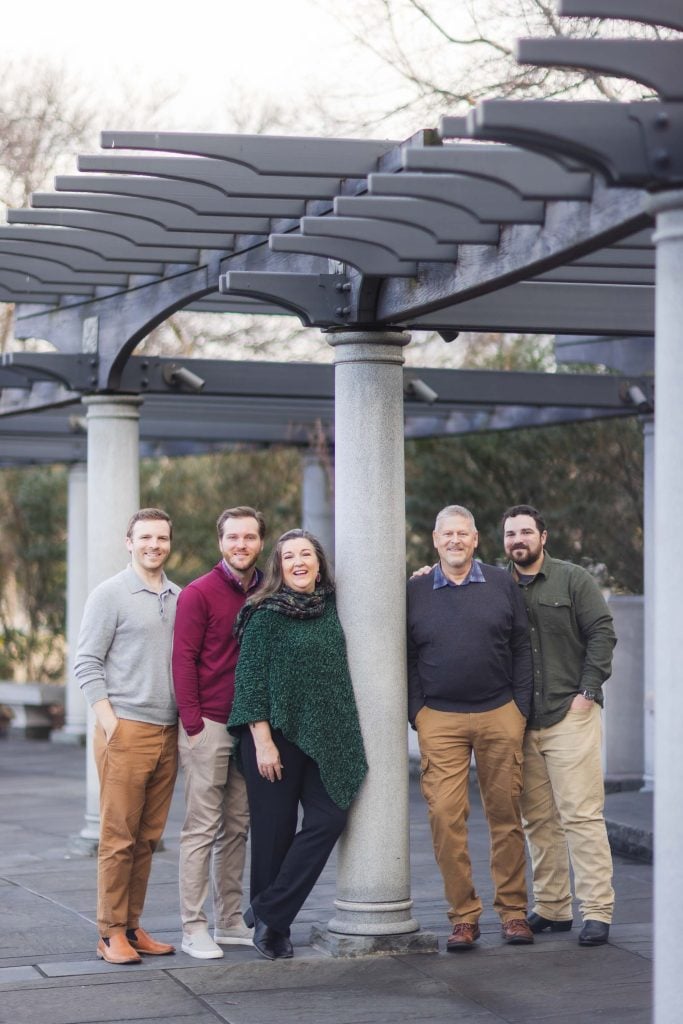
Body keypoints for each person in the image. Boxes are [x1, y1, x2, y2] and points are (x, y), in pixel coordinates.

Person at [228, 528, 368, 960]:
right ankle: (273, 930)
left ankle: (267, 907)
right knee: (273, 834)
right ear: (279, 567)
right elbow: (249, 684)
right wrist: (263, 741)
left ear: (320, 563)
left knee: (329, 818)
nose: (299, 561)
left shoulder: (332, 609)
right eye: (290, 557)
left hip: (325, 735)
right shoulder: (264, 613)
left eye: (306, 554)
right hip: (273, 738)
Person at [407, 504, 534, 951]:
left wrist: (520, 707)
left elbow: (521, 645)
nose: (455, 540)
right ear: (436, 540)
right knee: (445, 817)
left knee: (505, 816)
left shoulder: (502, 583)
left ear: (476, 539)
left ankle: (514, 912)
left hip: (500, 711)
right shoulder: (416, 589)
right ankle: (463, 916)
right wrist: (417, 710)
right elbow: (405, 654)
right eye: (448, 534)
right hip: (439, 718)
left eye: (463, 533)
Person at [502, 504, 617, 947]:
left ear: (543, 536)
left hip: (571, 715)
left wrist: (587, 693)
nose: (519, 540)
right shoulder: (497, 585)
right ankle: (553, 907)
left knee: (582, 817)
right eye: (511, 534)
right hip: (522, 721)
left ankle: (598, 911)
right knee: (537, 821)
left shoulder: (573, 579)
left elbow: (602, 633)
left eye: (526, 532)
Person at [74, 508, 180, 965]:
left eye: (161, 538)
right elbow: (86, 662)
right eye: (145, 537)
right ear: (128, 542)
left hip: (168, 732)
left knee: (147, 838)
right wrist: (111, 722)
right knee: (117, 838)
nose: (153, 545)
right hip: (126, 731)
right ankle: (109, 931)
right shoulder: (110, 594)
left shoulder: (179, 596)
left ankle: (133, 926)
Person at [172, 506, 265, 959]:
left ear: (260, 543)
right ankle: (193, 927)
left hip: (250, 726)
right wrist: (193, 726)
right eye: (233, 537)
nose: (241, 545)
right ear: (220, 542)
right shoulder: (198, 593)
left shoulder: (268, 589)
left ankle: (230, 920)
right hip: (208, 725)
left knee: (238, 827)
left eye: (249, 537)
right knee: (201, 829)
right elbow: (183, 660)